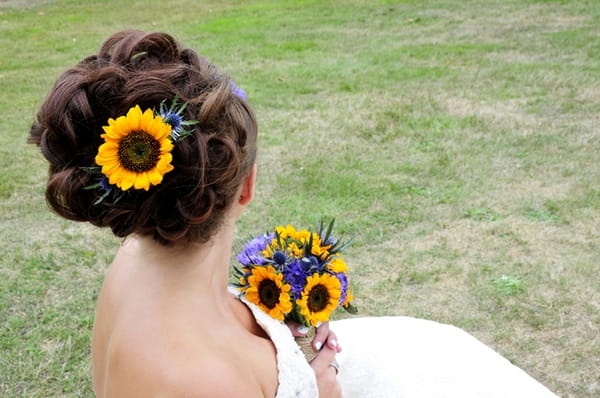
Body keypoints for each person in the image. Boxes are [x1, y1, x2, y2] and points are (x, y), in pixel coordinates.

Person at [29, 30, 559, 398]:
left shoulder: (131, 264)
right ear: (246, 188)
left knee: (441, 354)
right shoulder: (204, 381)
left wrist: (283, 324)